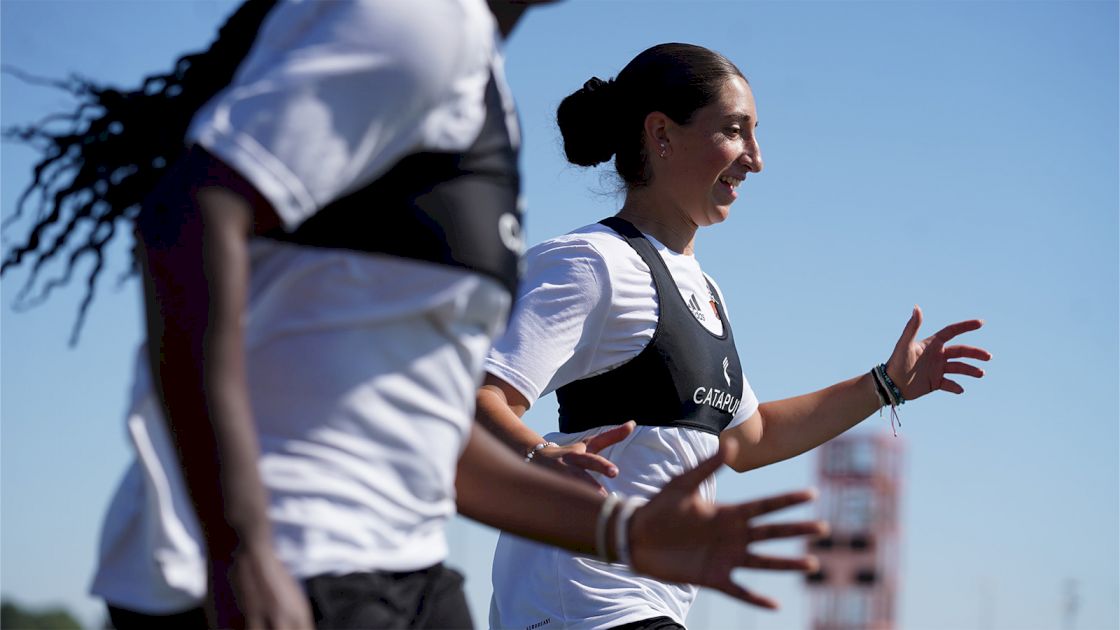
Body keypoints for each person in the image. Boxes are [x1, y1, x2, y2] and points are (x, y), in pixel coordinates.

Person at [1, 4, 829, 629]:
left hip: (407, 569)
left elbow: (434, 430)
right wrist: (239, 544)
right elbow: (183, 222)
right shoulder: (420, 29)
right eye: (736, 131)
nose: (756, 158)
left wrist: (629, 533)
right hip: (285, 561)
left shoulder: (477, 84)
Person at [479, 42, 992, 629]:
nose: (756, 158)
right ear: (661, 135)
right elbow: (477, 394)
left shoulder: (705, 290)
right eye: (734, 131)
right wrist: (541, 455)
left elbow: (750, 438)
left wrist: (887, 384)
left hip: (642, 604)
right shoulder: (593, 263)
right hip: (583, 600)